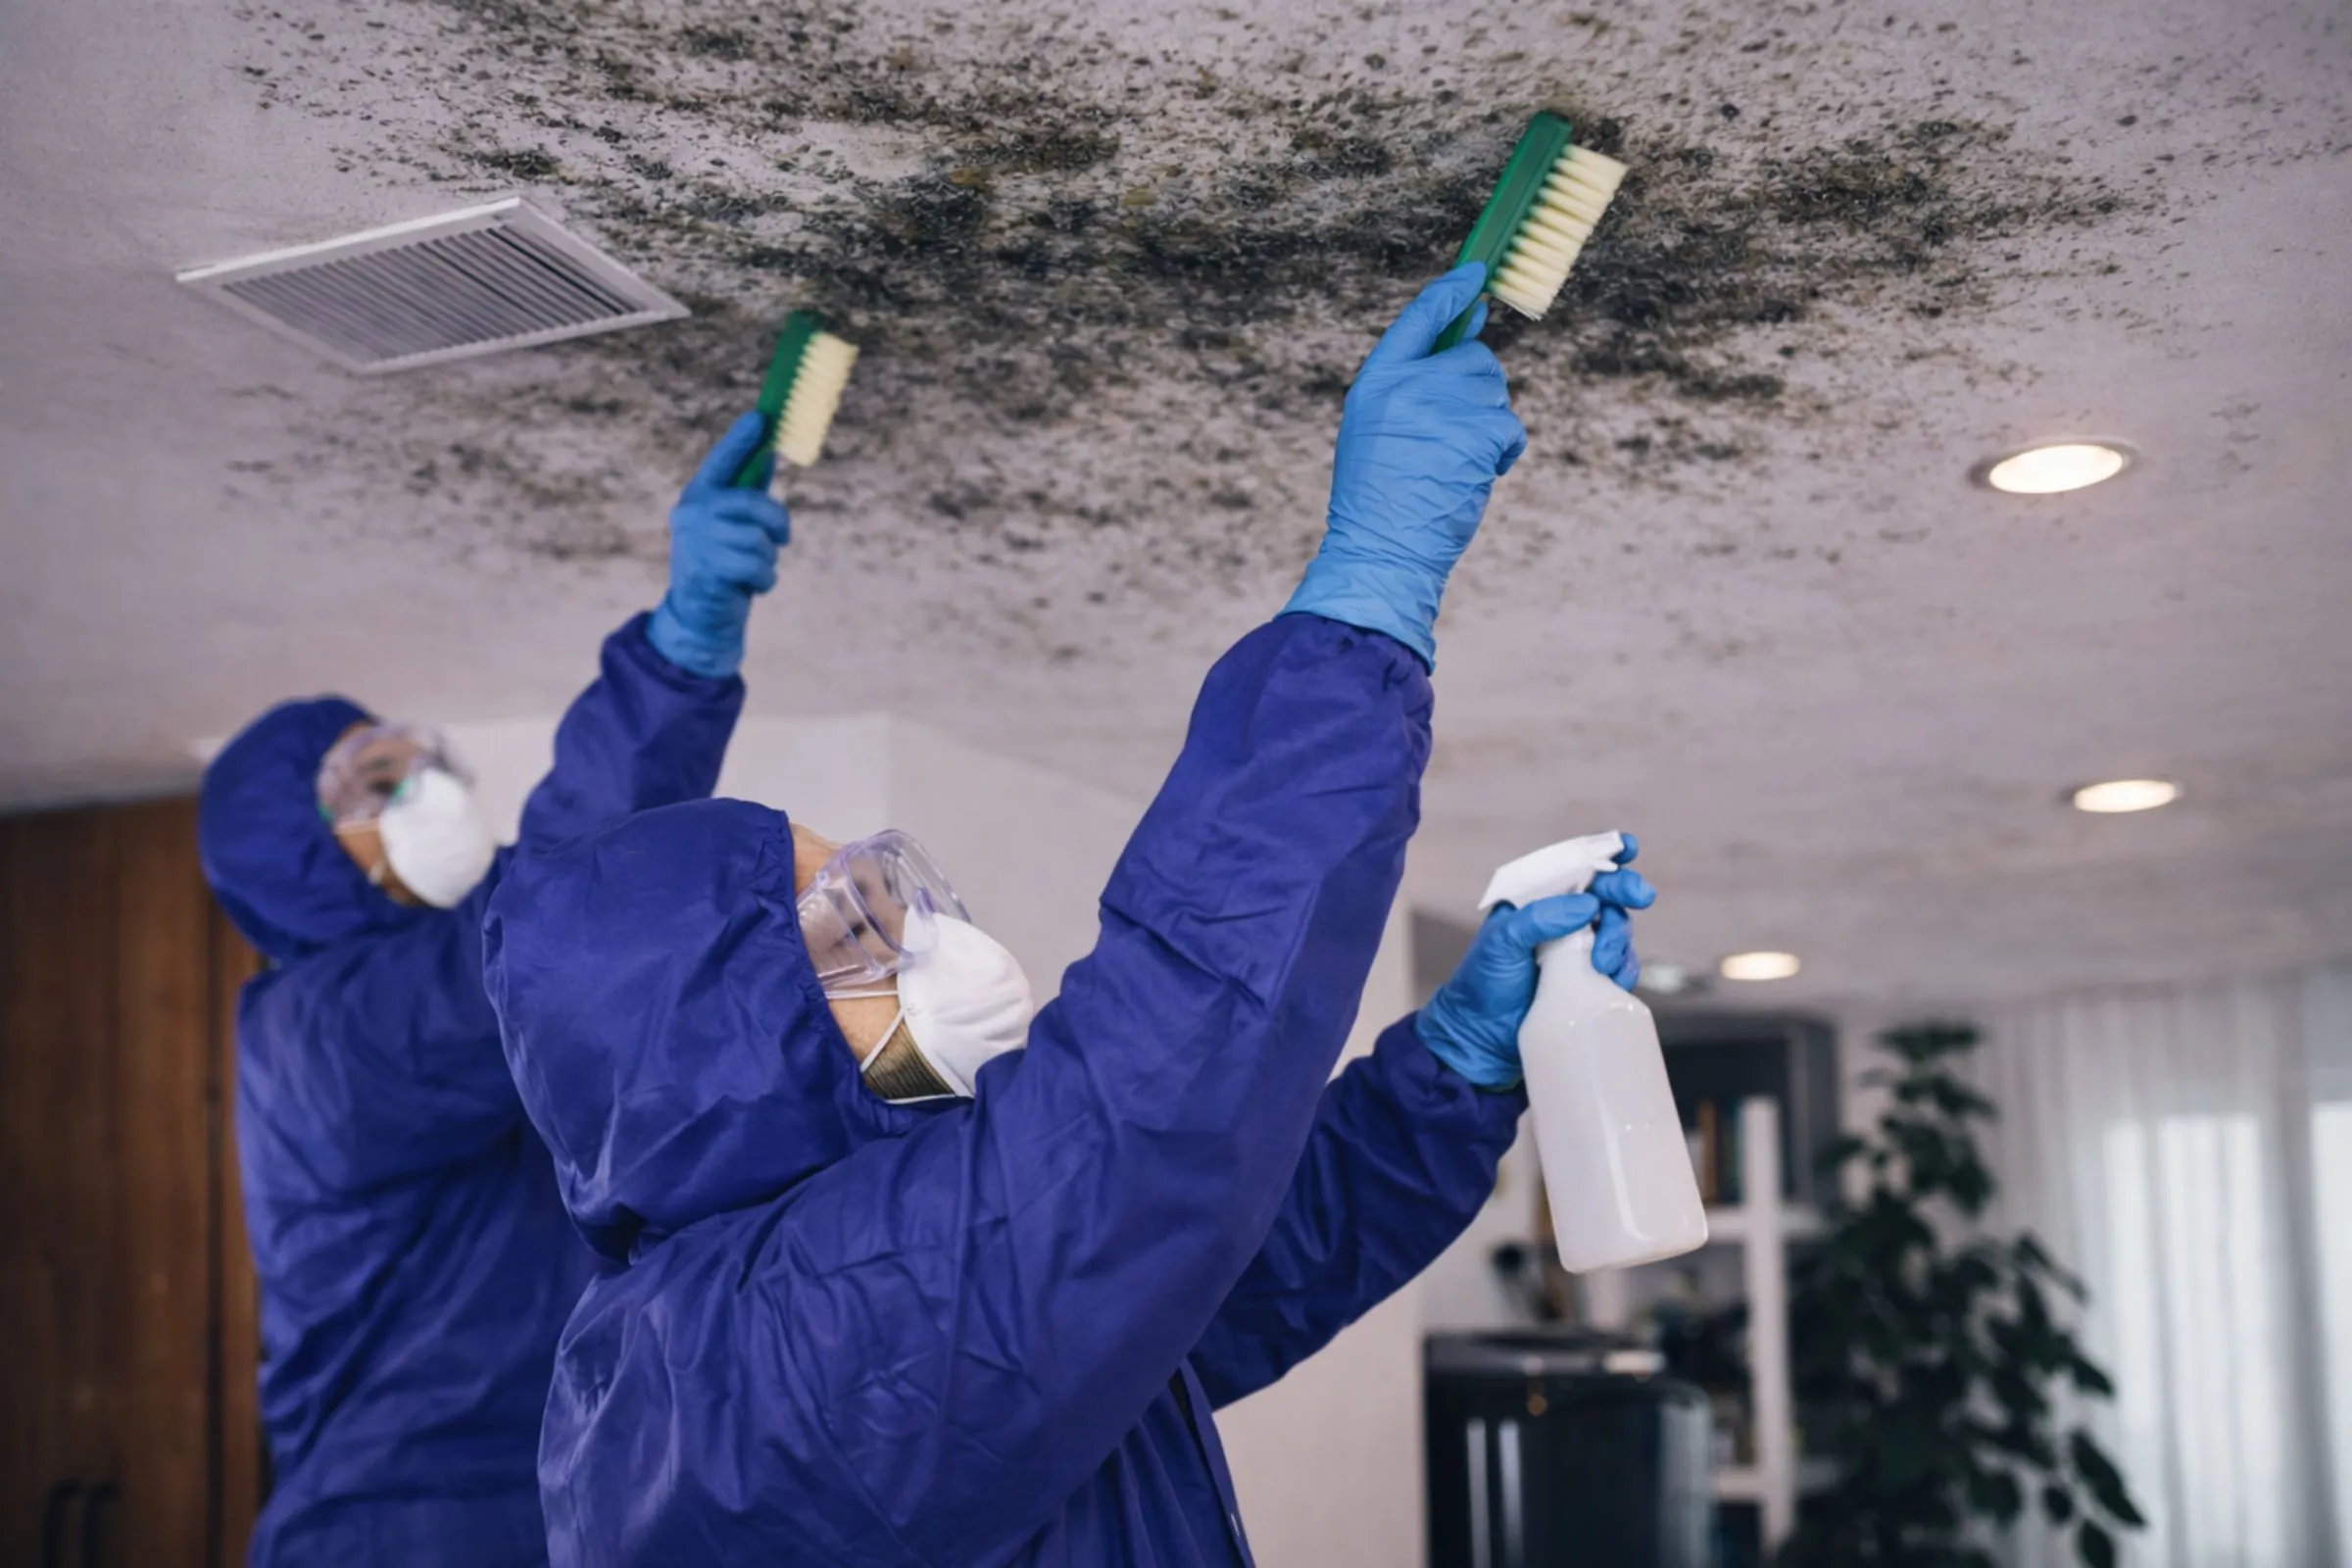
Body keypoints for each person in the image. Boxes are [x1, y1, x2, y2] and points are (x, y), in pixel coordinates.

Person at [481, 263, 1656, 1565]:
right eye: (860, 928)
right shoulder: (777, 1355)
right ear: (726, 1041)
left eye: (891, 888)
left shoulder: (790, 1297)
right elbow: (1148, 1114)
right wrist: (1363, 599)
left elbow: (1217, 1269)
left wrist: (1447, 1074)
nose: (929, 929)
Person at [196, 415, 796, 1566]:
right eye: (375, 784)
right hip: (394, 1525)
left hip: (537, 1499)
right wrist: (675, 660)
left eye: (410, 758)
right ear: (299, 855)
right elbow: (550, 909)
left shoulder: (440, 1008)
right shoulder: (319, 1045)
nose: (423, 789)